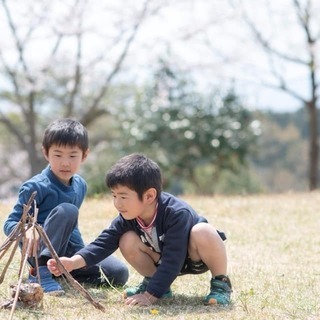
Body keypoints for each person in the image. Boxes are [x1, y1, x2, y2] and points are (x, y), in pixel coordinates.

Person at [47, 153, 232, 306]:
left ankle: (220, 284)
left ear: (149, 195)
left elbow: (173, 259)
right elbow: (103, 243)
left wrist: (150, 296)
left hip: (193, 257)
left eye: (123, 196)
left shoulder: (176, 213)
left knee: (203, 231)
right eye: (114, 195)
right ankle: (156, 283)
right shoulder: (128, 217)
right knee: (126, 238)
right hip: (162, 262)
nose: (117, 203)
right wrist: (72, 262)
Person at [3, 118, 129, 295]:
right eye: (58, 154)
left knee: (118, 273)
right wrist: (26, 229)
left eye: (72, 155)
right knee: (68, 210)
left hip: (70, 254)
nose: (65, 162)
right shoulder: (35, 187)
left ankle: (61, 272)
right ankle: (41, 273)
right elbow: (9, 223)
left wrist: (81, 257)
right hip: (39, 253)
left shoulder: (80, 185)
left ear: (84, 155)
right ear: (46, 153)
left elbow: (71, 227)